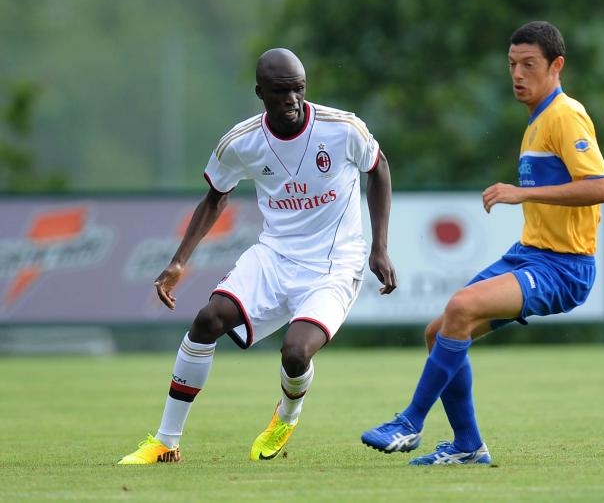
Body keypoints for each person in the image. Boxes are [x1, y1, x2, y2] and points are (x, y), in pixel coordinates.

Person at [118, 48, 397, 465]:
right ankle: (166, 441)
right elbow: (216, 197)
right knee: (207, 320)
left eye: (298, 89)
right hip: (273, 256)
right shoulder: (241, 142)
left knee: (295, 353)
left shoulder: (342, 129)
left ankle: (287, 416)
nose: (292, 100)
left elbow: (378, 168)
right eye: (281, 91)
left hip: (334, 265)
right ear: (260, 92)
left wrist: (380, 247)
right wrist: (179, 261)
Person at [361, 21, 604, 465]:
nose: (517, 74)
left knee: (460, 308)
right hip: (531, 255)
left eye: (529, 64)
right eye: (512, 64)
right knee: (439, 331)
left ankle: (409, 422)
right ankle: (467, 446)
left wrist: (522, 193)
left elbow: (602, 188)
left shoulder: (565, 114)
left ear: (557, 65)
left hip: (564, 267)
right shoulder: (538, 120)